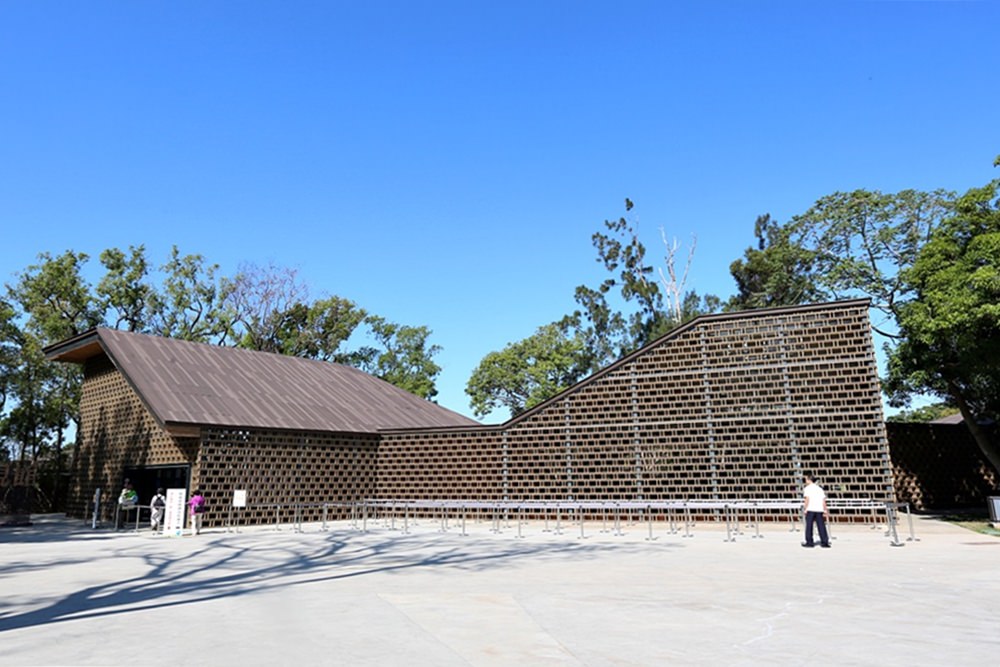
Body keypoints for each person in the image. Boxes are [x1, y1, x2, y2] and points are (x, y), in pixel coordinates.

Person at [801, 473, 831, 548]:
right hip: (819, 509)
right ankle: (824, 541)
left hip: (811, 508)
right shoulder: (819, 489)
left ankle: (809, 542)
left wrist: (805, 508)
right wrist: (825, 509)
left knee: (809, 526)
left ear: (808, 479)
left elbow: (807, 499)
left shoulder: (807, 488)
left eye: (806, 479)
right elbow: (823, 500)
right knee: (821, 525)